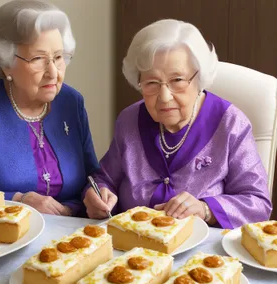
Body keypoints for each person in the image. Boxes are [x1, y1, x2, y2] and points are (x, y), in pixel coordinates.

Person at [83, 19, 272, 228]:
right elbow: (105, 179)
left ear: (198, 78)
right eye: (152, 83)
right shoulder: (129, 120)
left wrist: (205, 209)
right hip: (133, 249)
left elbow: (258, 204)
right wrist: (97, 193)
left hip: (202, 256)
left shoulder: (231, 124)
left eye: (177, 81)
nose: (164, 97)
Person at [0, 0, 99, 216]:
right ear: (6, 63)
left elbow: (92, 175)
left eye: (59, 57)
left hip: (72, 235)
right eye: (38, 59)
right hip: (0, 239)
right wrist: (18, 200)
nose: (53, 72)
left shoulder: (72, 102)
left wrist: (96, 193)